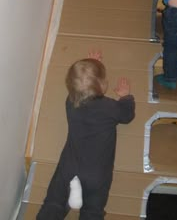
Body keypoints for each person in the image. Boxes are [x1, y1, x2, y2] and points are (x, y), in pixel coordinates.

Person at [36, 51, 135, 220]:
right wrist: (126, 97)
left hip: (69, 167)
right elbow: (126, 116)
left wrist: (90, 67)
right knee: (93, 210)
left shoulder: (71, 102)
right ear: (102, 86)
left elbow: (80, 86)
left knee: (53, 202)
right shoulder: (110, 108)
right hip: (96, 173)